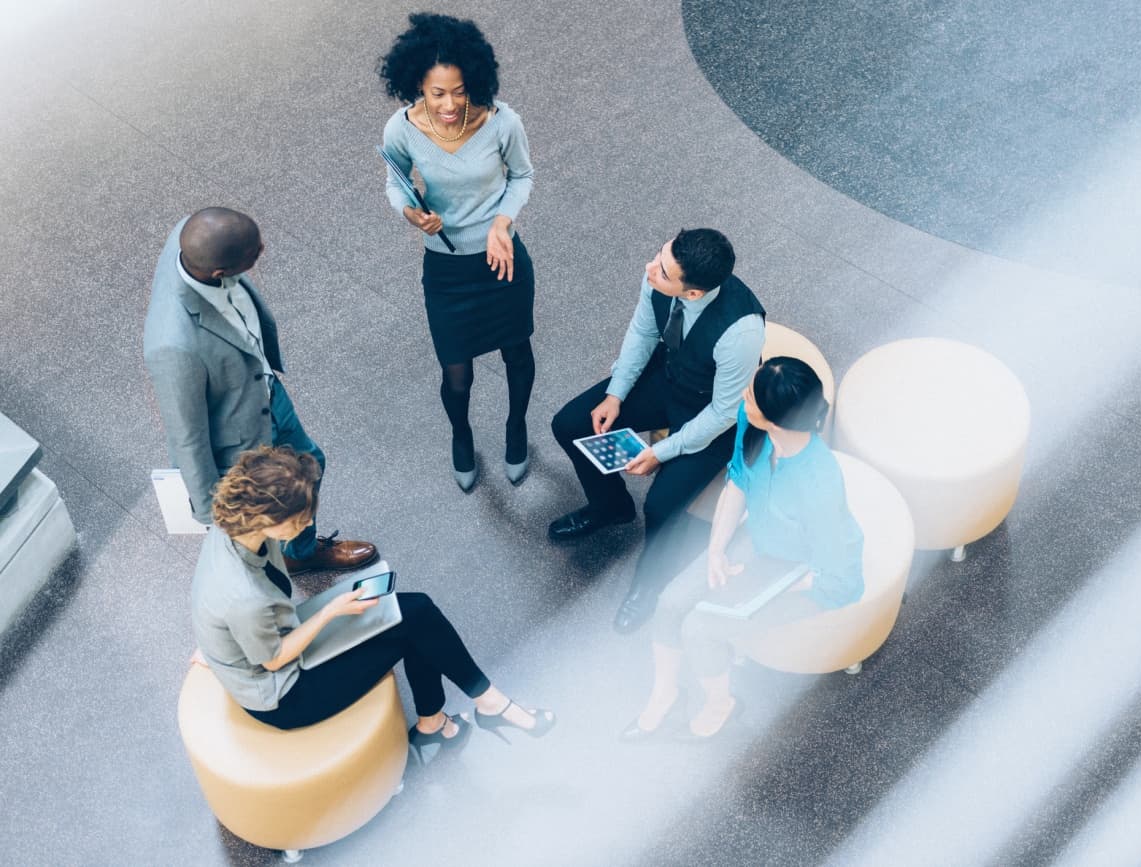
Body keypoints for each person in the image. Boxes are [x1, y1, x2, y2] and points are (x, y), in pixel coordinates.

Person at [191, 446, 555, 762]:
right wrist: (330, 612)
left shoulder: (234, 528)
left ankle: (456, 713)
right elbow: (273, 659)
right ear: (268, 518)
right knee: (412, 626)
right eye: (299, 520)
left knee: (414, 611)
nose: (305, 527)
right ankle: (478, 709)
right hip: (286, 695)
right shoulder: (243, 597)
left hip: (274, 639)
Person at [622, 358, 864, 741]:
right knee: (670, 601)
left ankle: (722, 704)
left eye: (750, 395)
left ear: (776, 419)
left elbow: (832, 571)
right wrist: (717, 551)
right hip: (762, 540)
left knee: (701, 628)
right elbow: (738, 482)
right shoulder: (754, 429)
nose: (741, 397)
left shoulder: (818, 483)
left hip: (803, 572)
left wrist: (753, 587)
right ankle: (665, 692)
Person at [549, 229, 765, 634]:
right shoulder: (657, 276)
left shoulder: (742, 331)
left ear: (693, 293)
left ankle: (649, 586)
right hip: (670, 378)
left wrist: (661, 454)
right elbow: (643, 334)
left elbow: (723, 412)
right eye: (658, 257)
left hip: (709, 411)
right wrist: (615, 395)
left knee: (661, 505)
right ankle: (610, 506)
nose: (650, 268)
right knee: (569, 423)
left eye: (663, 271)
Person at [144, 208, 375, 573]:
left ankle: (299, 552)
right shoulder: (173, 346)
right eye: (254, 254)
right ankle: (282, 563)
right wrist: (213, 514)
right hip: (240, 440)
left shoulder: (192, 236)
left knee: (312, 465)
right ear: (219, 272)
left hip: (266, 391)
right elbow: (186, 436)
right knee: (271, 513)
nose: (263, 250)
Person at [379, 13, 537, 492]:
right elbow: (396, 184)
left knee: (517, 352)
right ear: (417, 88)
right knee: (456, 372)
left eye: (459, 90)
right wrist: (412, 214)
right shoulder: (401, 130)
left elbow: (522, 176)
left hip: (502, 257)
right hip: (446, 268)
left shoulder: (502, 122)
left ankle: (516, 427)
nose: (449, 104)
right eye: (437, 93)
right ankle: (461, 433)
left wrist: (502, 224)